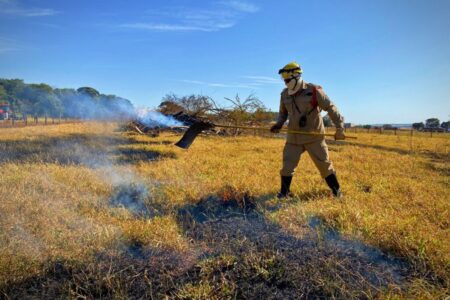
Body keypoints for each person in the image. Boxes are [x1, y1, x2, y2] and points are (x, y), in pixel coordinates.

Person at [270, 61, 345, 198]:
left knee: (324, 165)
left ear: (296, 76)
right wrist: (279, 124)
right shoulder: (284, 94)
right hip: (294, 137)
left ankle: (337, 193)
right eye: (284, 79)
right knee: (287, 166)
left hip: (314, 136)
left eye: (287, 79)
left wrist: (340, 127)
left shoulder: (314, 90)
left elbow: (330, 107)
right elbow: (283, 113)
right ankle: (284, 193)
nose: (285, 82)